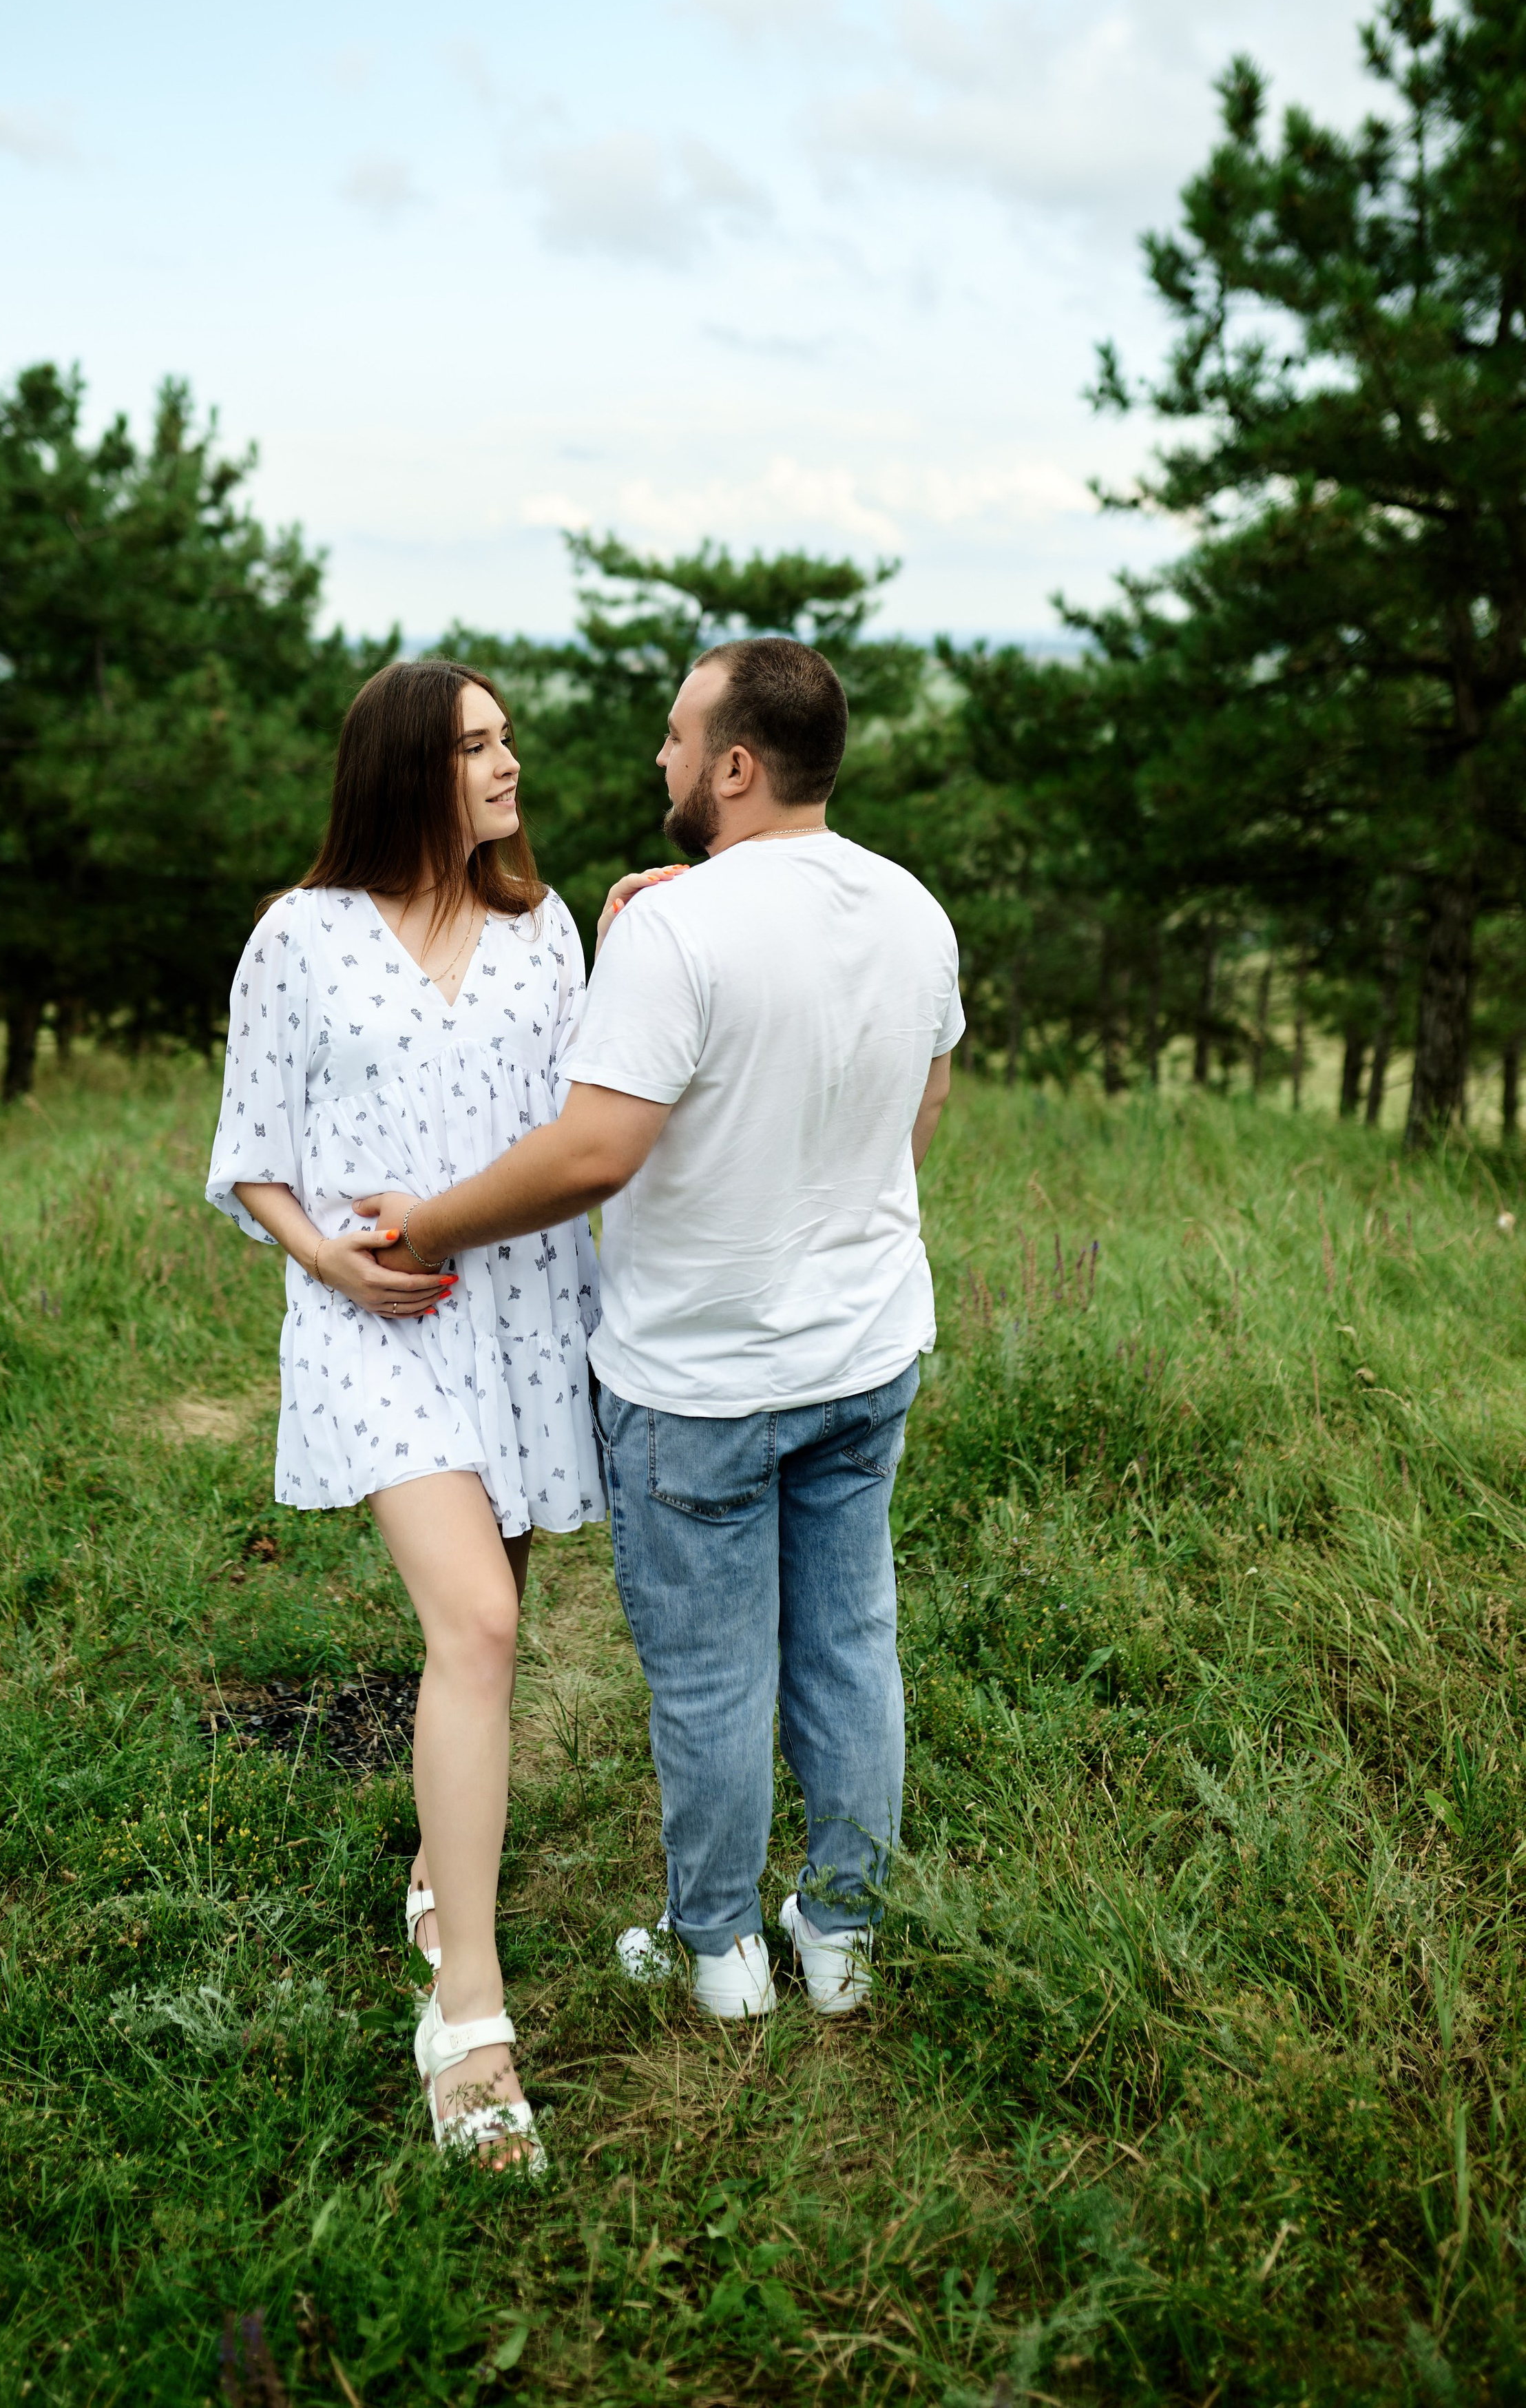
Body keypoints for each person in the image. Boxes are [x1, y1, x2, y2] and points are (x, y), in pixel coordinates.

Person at [357, 633, 963, 2022]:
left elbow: (590, 1155)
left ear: (736, 766)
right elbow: (917, 1112)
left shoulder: (672, 932)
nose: (661, 755)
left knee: (710, 1670)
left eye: (679, 736)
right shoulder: (910, 907)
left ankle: (718, 1953)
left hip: (698, 1378)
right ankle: (838, 1934)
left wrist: (431, 1225)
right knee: (851, 1640)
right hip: (867, 1355)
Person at [204, 658, 604, 2170]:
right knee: (479, 1626)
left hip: (524, 1318)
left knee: (500, 1602)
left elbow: (589, 1121)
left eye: (509, 738)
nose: (511, 763)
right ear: (403, 772)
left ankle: (447, 1862)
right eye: (477, 746)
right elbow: (251, 1152)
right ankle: (468, 2013)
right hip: (379, 1322)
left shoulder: (542, 925)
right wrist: (330, 1263)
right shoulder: (297, 938)